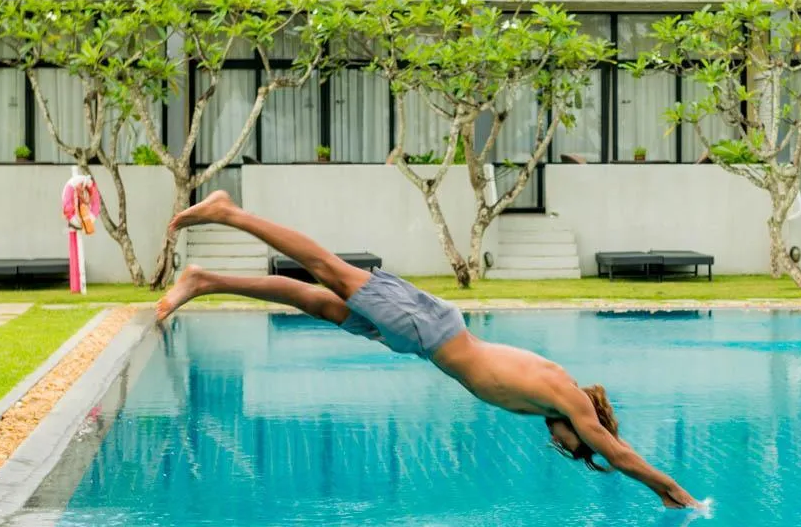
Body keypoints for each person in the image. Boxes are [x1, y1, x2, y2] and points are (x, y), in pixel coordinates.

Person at [157, 192, 700, 510]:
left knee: (318, 304)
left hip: (422, 340)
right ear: (588, 424)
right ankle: (229, 212)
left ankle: (206, 279)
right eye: (574, 445)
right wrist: (675, 493)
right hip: (429, 330)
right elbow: (620, 454)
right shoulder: (569, 400)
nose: (563, 443)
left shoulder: (555, 398)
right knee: (326, 269)